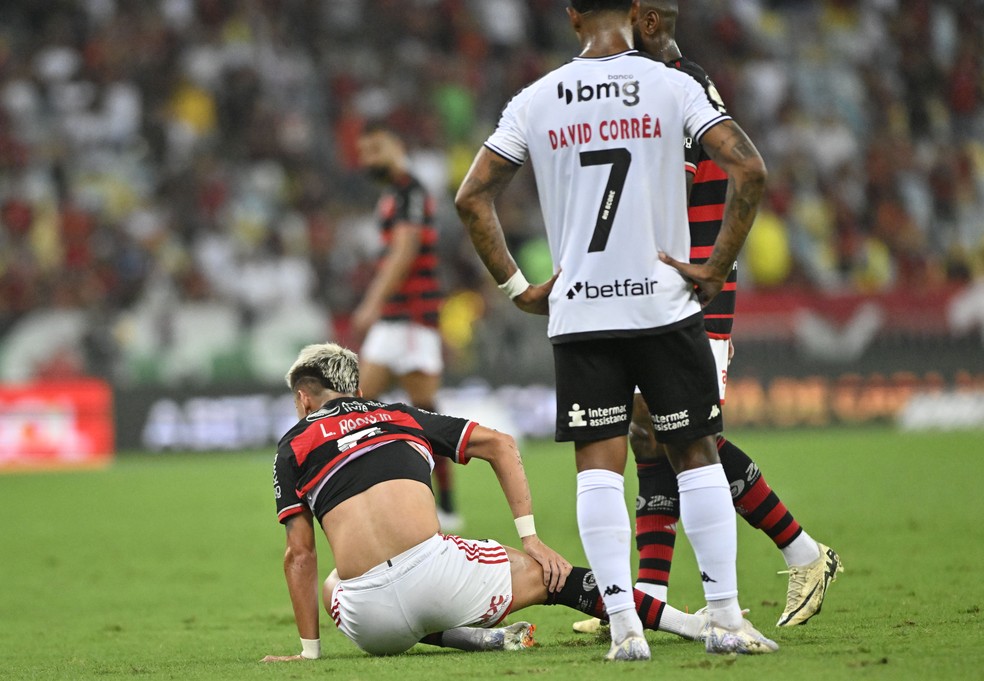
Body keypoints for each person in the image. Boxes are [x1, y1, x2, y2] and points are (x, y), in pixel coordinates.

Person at [454, 0, 775, 662]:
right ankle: (726, 618)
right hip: (663, 303)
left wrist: (519, 289)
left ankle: (626, 629)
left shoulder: (537, 98)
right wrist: (714, 268)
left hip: (582, 311)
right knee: (695, 454)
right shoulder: (673, 84)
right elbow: (749, 167)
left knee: (598, 469)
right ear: (636, 13)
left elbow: (471, 197)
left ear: (572, 17)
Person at [572, 0, 843, 636]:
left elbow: (666, 187)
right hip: (661, 287)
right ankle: (649, 596)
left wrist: (703, 270)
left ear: (642, 20)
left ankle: (803, 552)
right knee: (650, 433)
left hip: (695, 288)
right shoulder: (676, 81)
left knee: (683, 429)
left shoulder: (678, 87)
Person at [262, 343, 755, 663]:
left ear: (304, 400)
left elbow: (299, 555)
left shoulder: (293, 444)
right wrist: (531, 538)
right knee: (559, 579)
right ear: (358, 390)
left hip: (370, 625)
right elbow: (499, 444)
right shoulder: (396, 414)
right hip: (441, 577)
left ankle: (471, 637)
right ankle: (693, 624)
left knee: (333, 580)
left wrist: (309, 654)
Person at [351, 122, 461, 531]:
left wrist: (371, 302)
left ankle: (444, 502)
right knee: (356, 404)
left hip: (413, 319)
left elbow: (405, 251)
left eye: (376, 148)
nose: (369, 159)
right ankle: (372, 498)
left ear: (398, 146)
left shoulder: (411, 191)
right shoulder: (390, 195)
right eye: (363, 152)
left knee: (424, 413)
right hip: (393, 320)